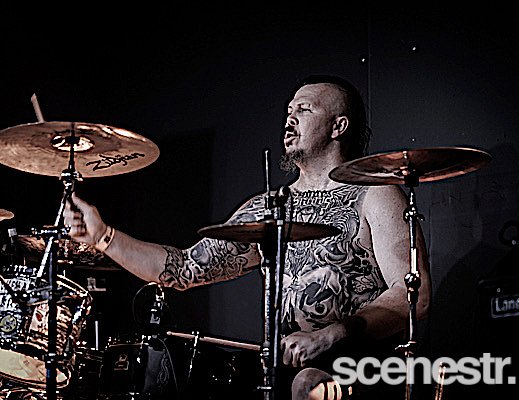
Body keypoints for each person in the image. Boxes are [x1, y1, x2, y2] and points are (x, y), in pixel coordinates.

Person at [63, 74, 431, 399]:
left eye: (304, 109)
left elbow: (413, 295)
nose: (289, 118)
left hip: (361, 365)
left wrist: (330, 335)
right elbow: (185, 269)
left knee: (309, 384)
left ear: (339, 126)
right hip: (285, 367)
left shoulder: (375, 194)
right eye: (289, 110)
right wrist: (103, 236)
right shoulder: (269, 208)